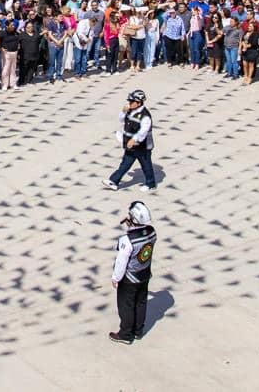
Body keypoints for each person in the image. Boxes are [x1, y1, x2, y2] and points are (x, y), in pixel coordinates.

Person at [109, 200, 156, 345]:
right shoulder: (152, 232)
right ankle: (138, 330)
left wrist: (116, 278)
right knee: (141, 302)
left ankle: (125, 333)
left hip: (129, 278)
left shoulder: (127, 240)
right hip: (145, 273)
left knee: (126, 305)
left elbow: (121, 262)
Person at [103, 90, 156, 191]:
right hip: (129, 143)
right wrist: (123, 112)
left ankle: (151, 184)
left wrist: (134, 139)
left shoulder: (145, 116)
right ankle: (114, 181)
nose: (129, 103)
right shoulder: (130, 110)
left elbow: (143, 131)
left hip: (142, 146)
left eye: (132, 102)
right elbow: (122, 120)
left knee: (146, 165)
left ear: (139, 103)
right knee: (125, 164)